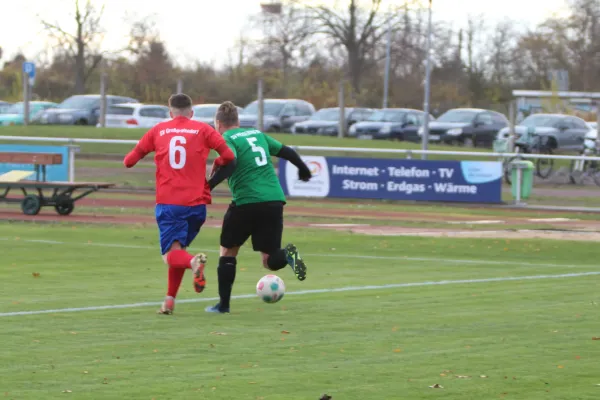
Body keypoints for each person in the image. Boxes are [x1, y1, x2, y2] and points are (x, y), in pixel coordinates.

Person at [123, 93, 235, 315]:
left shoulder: (158, 130)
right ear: (191, 112)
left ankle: (194, 263)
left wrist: (145, 153)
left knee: (171, 256)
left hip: (170, 202)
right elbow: (229, 156)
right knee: (178, 250)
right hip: (197, 205)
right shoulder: (203, 130)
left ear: (169, 111)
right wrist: (216, 163)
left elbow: (129, 162)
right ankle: (169, 301)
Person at [205, 101, 312, 314]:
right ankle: (288, 255)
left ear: (218, 123)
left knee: (227, 251)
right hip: (274, 200)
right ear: (237, 121)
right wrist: (304, 169)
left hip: (246, 201)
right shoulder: (257, 135)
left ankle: (223, 305)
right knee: (269, 260)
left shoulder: (226, 138)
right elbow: (286, 151)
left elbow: (232, 162)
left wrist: (208, 187)